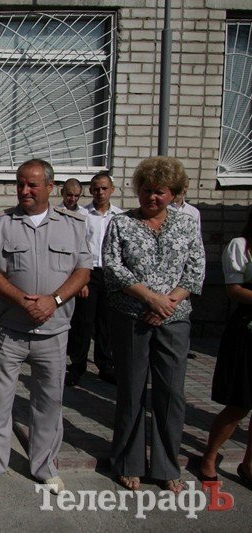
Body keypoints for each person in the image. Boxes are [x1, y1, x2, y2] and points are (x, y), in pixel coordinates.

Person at [0, 159, 91, 494]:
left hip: (54, 331)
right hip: (10, 329)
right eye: (20, 184)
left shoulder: (74, 225)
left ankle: (44, 466)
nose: (24, 191)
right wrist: (22, 300)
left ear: (50, 187)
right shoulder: (0, 224)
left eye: (32, 185)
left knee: (48, 402)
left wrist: (52, 301)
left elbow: (82, 272)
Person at [102, 156, 205, 494]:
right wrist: (150, 299)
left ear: (173, 193)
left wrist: (167, 303)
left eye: (160, 192)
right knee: (132, 392)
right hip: (132, 317)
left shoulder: (187, 224)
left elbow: (194, 271)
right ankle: (127, 462)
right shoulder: (121, 223)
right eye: (146, 190)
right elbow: (114, 268)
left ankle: (166, 466)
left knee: (171, 394)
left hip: (173, 320)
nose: (152, 198)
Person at [199, 208, 252, 488]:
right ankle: (210, 455)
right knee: (239, 403)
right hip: (247, 327)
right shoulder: (240, 246)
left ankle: (249, 464)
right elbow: (235, 289)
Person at [65, 171, 124, 386]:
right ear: (90, 191)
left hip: (109, 274)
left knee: (105, 322)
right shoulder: (82, 215)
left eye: (104, 188)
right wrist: (81, 279)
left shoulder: (120, 216)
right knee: (83, 322)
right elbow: (76, 247)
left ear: (112, 190)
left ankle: (105, 365)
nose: (100, 192)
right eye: (96, 189)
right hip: (88, 273)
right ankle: (77, 365)